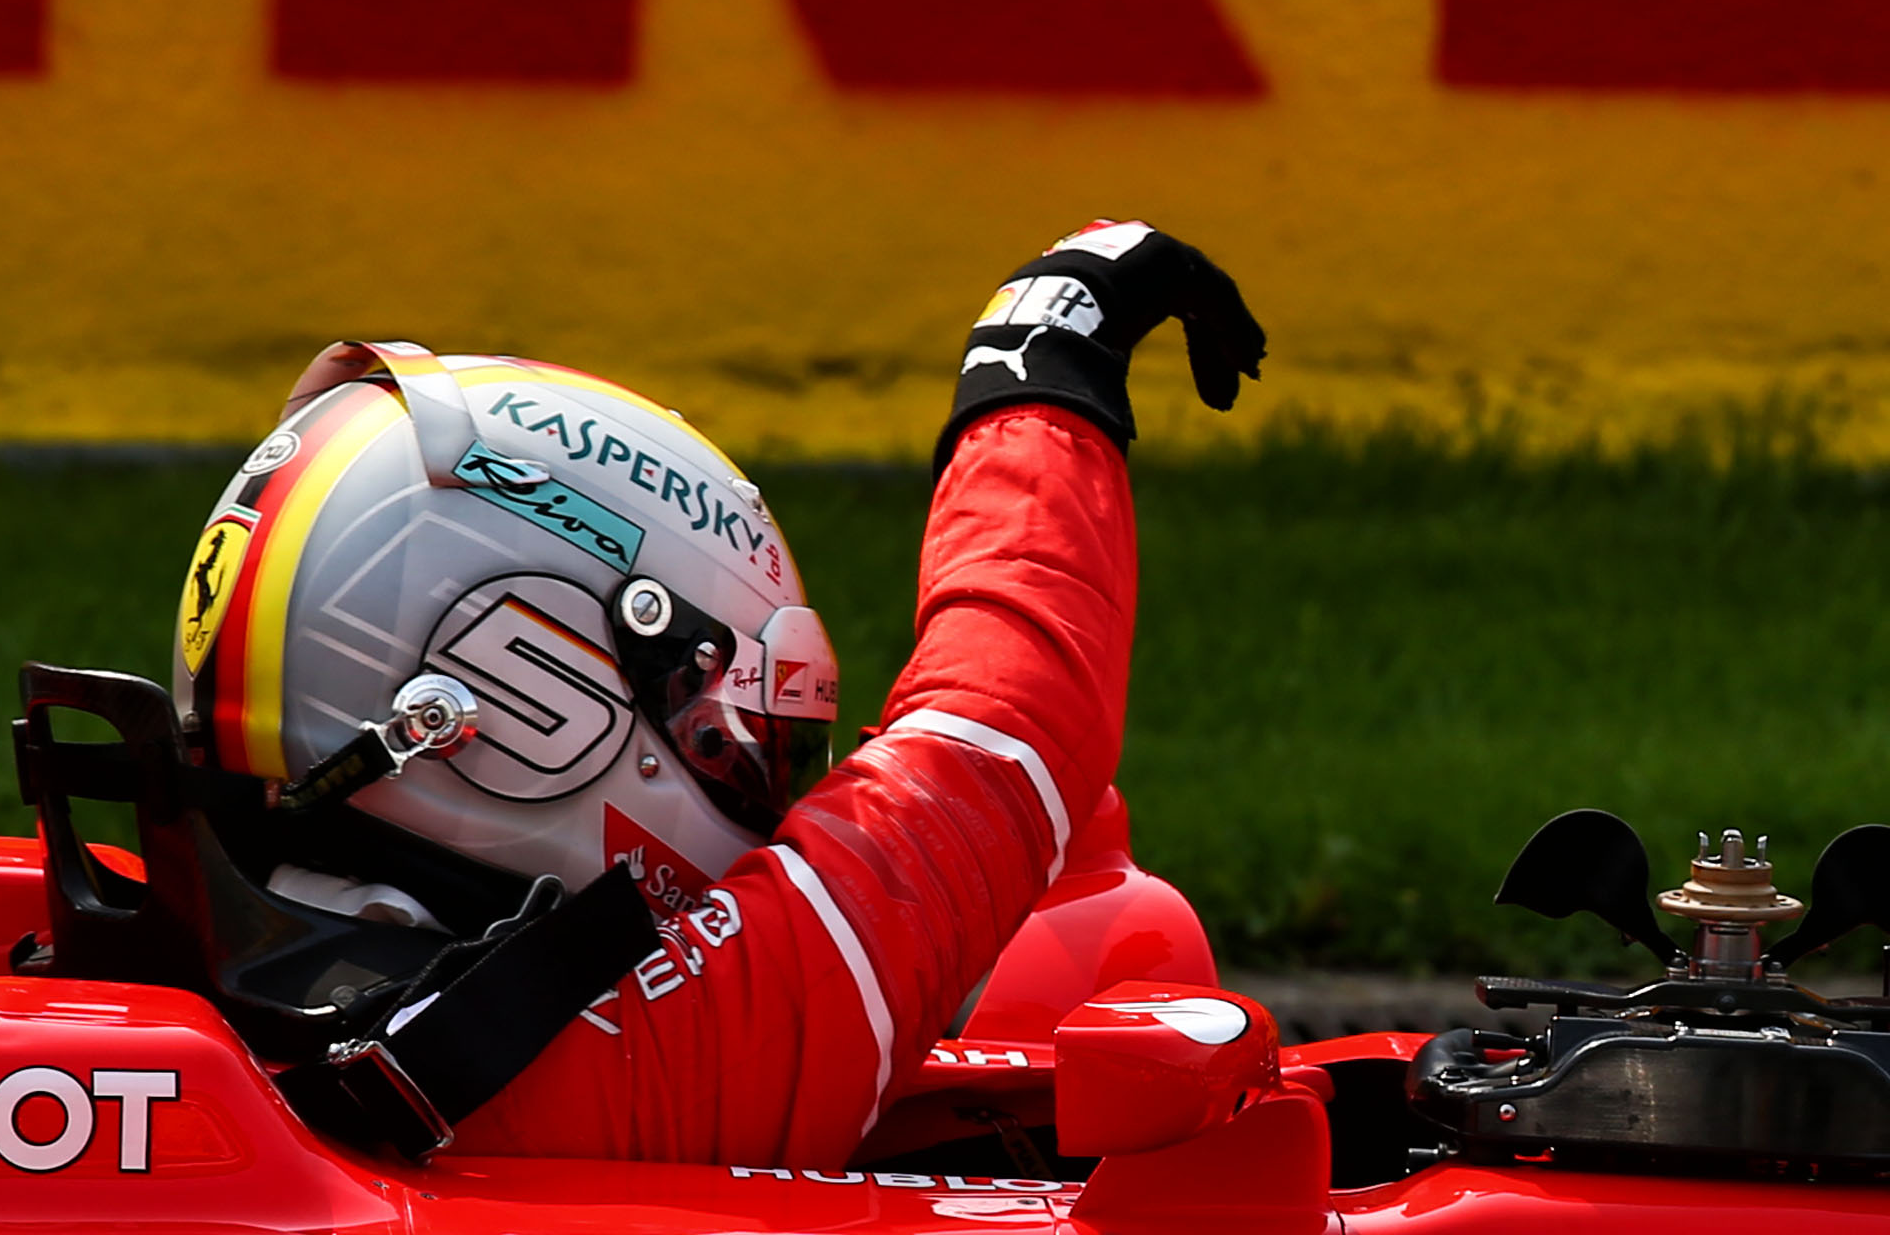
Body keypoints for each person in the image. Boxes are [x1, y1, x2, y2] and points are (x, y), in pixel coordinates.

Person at [162, 219, 1262, 1163]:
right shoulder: (621, 1061)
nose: (768, 793)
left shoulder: (188, 969)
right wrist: (1040, 366)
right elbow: (1007, 733)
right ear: (532, 692)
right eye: (730, 732)